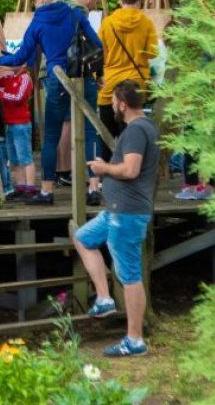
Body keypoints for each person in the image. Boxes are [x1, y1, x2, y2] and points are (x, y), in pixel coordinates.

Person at [0, 0, 103, 206]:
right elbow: (97, 45)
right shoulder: (74, 14)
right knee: (91, 134)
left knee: (51, 136)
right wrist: (99, 74)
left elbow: (17, 59)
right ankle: (93, 188)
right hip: (84, 78)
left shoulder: (39, 21)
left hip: (58, 80)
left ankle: (47, 191)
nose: (34, 3)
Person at [74, 80, 159, 358]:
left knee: (130, 275)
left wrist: (103, 168)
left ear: (122, 104)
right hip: (115, 209)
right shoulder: (141, 128)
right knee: (84, 238)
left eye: (112, 100)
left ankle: (135, 339)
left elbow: (131, 170)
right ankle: (104, 298)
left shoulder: (136, 130)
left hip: (127, 212)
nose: (111, 105)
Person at [98, 0, 158, 161]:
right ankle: (129, 170)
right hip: (135, 85)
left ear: (121, 1)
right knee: (131, 133)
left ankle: (104, 177)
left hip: (110, 85)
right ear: (139, 1)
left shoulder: (107, 22)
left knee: (106, 134)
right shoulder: (146, 22)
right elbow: (152, 52)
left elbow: (101, 53)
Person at [58, 0, 104, 185]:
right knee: (80, 123)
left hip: (57, 71)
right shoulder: (80, 11)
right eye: (96, 2)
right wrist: (98, 71)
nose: (95, 8)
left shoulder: (59, 8)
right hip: (75, 73)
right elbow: (92, 43)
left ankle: (61, 169)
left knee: (62, 123)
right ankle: (78, 173)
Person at [0, 67, 37, 200]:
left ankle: (30, 188)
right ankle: (21, 187)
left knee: (25, 157)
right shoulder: (11, 78)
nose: (12, 63)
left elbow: (18, 98)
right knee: (14, 159)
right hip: (10, 123)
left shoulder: (25, 78)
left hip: (21, 124)